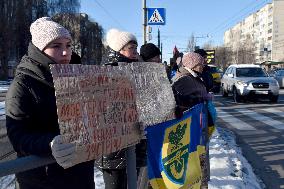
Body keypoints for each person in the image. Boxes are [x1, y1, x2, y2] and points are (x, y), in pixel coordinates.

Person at [5, 17, 95, 189]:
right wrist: (49, 143)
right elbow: (18, 135)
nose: (65, 52)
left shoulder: (78, 76)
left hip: (81, 175)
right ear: (40, 49)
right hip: (44, 179)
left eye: (68, 45)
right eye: (56, 46)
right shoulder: (23, 84)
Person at [96, 28, 144, 189]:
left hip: (133, 141)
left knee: (133, 183)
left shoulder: (136, 69)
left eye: (136, 48)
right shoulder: (107, 71)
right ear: (119, 50)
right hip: (113, 147)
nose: (136, 52)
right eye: (132, 48)